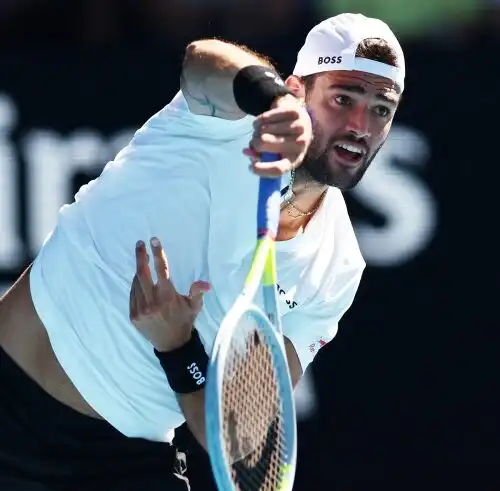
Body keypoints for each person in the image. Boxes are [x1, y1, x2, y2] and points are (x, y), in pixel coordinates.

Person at [0, 12, 405, 491]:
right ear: (298, 91)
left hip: (118, 464)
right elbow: (201, 61)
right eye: (343, 98)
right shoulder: (228, 120)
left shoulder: (337, 269)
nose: (360, 125)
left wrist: (177, 348)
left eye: (381, 109)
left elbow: (243, 441)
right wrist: (271, 101)